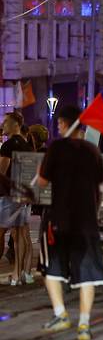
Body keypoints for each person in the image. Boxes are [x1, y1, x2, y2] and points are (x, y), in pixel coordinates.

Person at [37, 105, 103, 340]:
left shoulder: (56, 148)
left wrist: (41, 170)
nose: (58, 127)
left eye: (58, 124)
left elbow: (43, 182)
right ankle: (84, 326)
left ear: (66, 124)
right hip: (86, 222)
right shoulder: (93, 151)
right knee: (87, 274)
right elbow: (100, 189)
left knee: (52, 269)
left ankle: (61, 314)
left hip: (60, 220)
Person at [0, 112, 33, 286]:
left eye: (6, 122)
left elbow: (1, 172)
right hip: (24, 196)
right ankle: (17, 274)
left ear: (15, 125)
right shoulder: (27, 146)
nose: (3, 125)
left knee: (0, 232)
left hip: (8, 196)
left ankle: (13, 275)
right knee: (20, 234)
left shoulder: (7, 146)